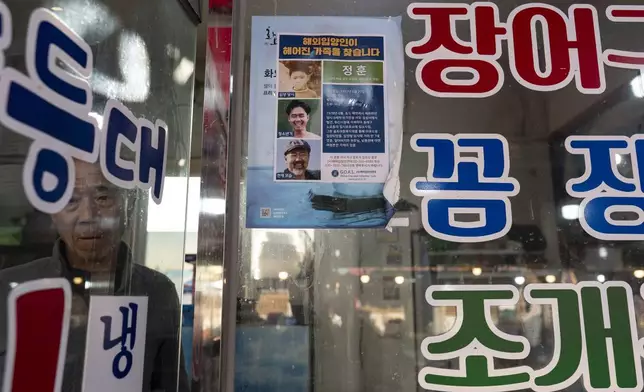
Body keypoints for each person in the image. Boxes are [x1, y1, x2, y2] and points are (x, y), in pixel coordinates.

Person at [0, 160, 189, 392]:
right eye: (71, 200)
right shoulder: (11, 289)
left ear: (128, 206)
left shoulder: (158, 293)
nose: (89, 215)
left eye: (103, 198)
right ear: (52, 213)